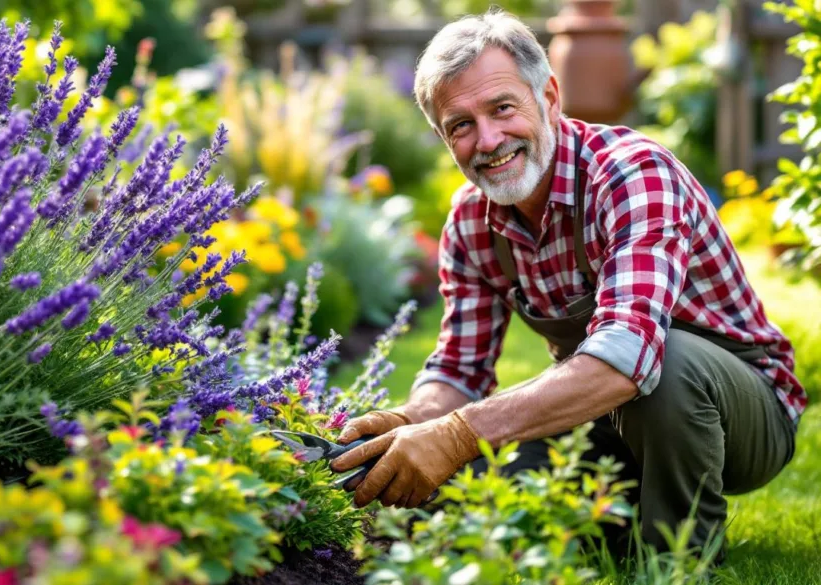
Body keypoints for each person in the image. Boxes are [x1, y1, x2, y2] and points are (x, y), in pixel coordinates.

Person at [328, 9, 806, 557]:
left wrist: (458, 433)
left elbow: (627, 357)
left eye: (502, 108)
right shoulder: (470, 221)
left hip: (742, 415)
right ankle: (616, 529)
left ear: (549, 97)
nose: (488, 140)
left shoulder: (631, 175)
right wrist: (409, 422)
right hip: (605, 413)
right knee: (465, 489)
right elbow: (460, 370)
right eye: (461, 125)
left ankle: (678, 561)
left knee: (666, 364)